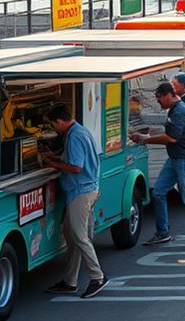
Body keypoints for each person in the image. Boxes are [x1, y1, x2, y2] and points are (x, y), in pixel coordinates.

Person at [42, 104, 108, 298]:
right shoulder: (79, 130)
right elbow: (72, 158)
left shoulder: (74, 136)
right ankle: (69, 281)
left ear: (60, 121)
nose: (54, 129)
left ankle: (98, 277)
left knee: (79, 237)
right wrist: (54, 157)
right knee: (74, 238)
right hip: (88, 189)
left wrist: (51, 162)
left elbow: (76, 166)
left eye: (53, 125)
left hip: (80, 192)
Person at [132, 82, 185, 248]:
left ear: (168, 95)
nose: (158, 103)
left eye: (159, 99)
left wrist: (146, 139)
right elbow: (170, 134)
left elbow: (172, 138)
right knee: (158, 192)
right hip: (176, 158)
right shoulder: (175, 109)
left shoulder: (179, 111)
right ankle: (162, 232)